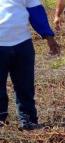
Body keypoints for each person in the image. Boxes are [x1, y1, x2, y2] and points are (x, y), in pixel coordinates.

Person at [0, 0, 60, 130]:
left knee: (25, 85)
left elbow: (36, 11)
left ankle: (27, 119)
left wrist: (48, 36)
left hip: (22, 43)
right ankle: (1, 120)